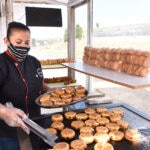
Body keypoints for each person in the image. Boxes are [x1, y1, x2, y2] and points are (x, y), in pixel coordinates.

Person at [0, 21, 52, 150]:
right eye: (18, 42)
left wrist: (50, 90)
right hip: (8, 130)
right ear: (6, 41)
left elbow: (39, 83)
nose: (23, 46)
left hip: (35, 123)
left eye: (27, 42)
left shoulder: (34, 62)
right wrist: (3, 111)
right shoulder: (1, 63)